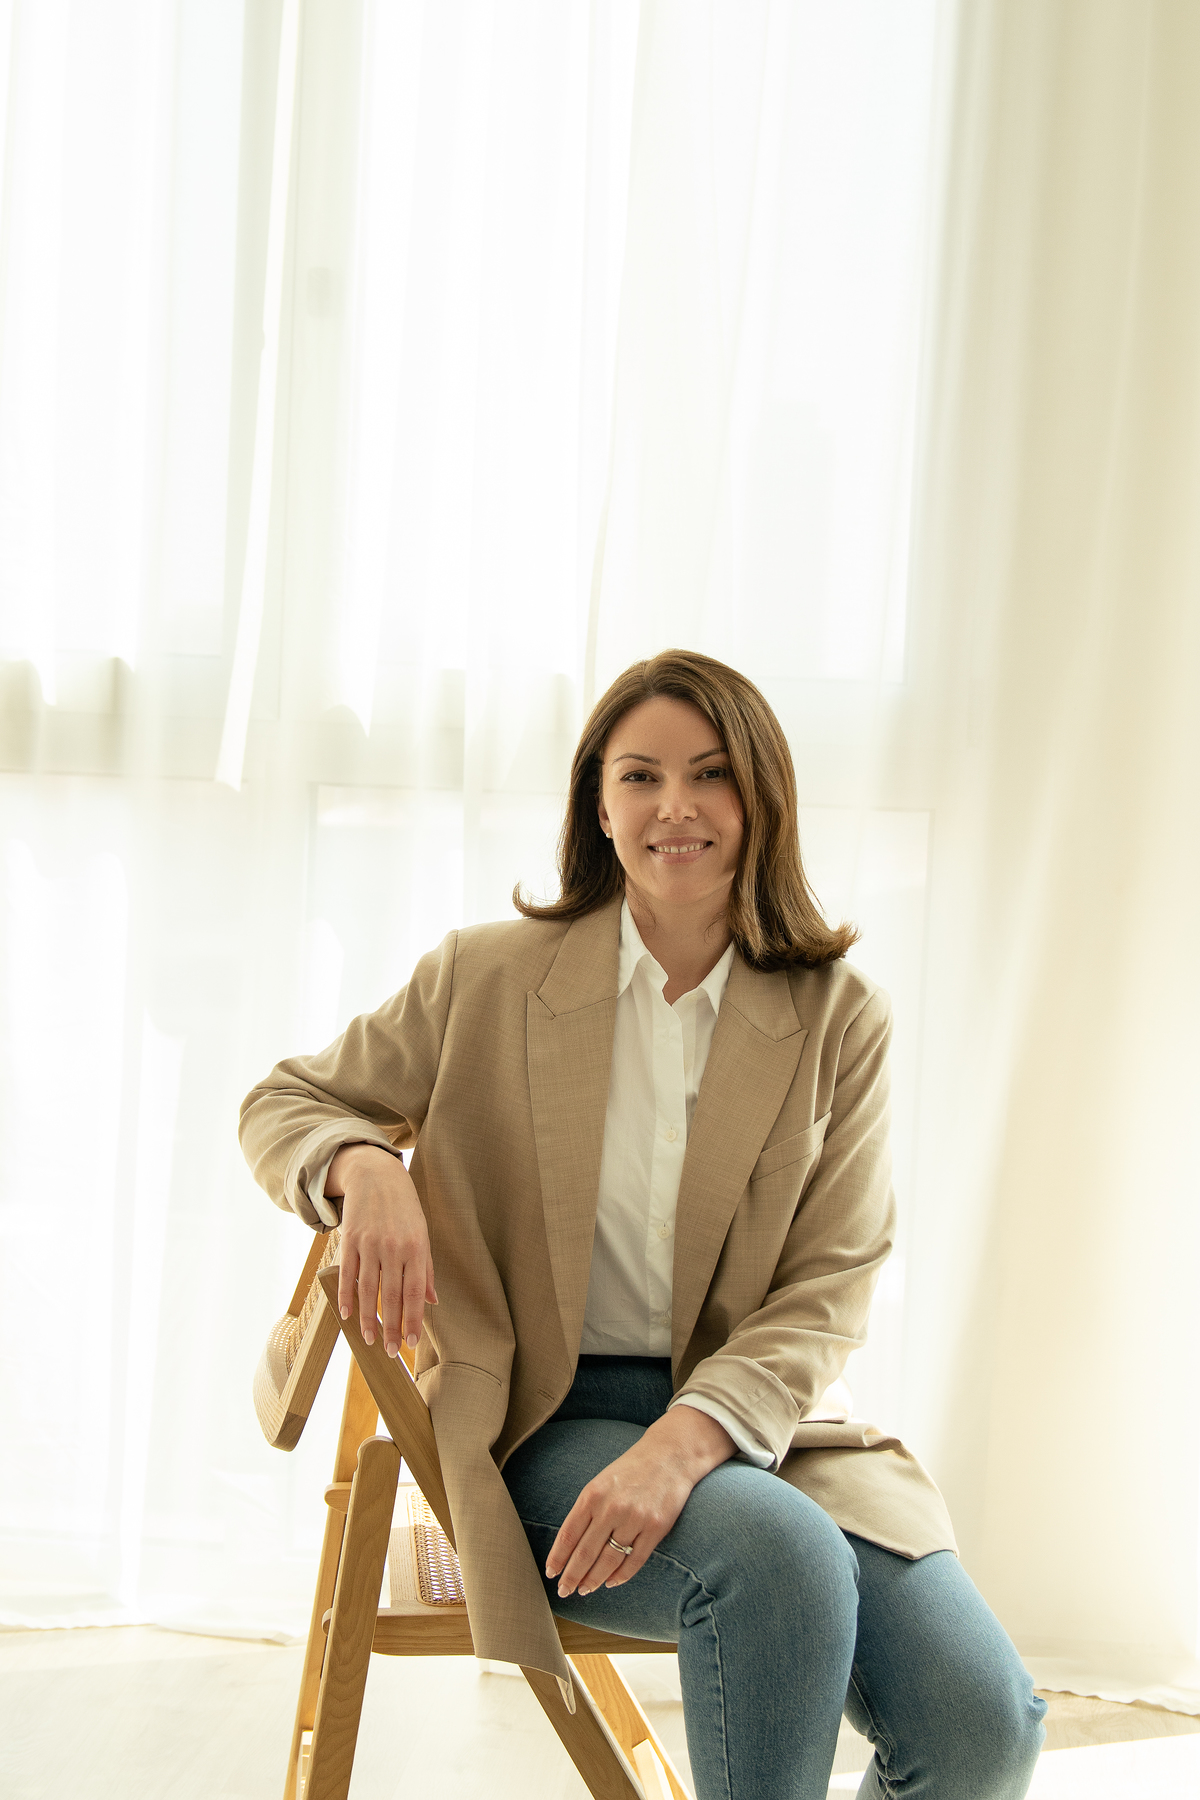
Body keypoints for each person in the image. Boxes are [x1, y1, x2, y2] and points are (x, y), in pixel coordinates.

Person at [240, 649, 1046, 1800]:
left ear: (762, 796)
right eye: (641, 776)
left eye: (712, 774)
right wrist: (361, 1162)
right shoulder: (486, 976)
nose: (677, 806)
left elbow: (831, 1282)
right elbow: (285, 1100)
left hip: (758, 1425)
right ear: (600, 804)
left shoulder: (838, 1015)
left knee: (982, 1728)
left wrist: (682, 1444)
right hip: (542, 1421)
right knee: (775, 1559)